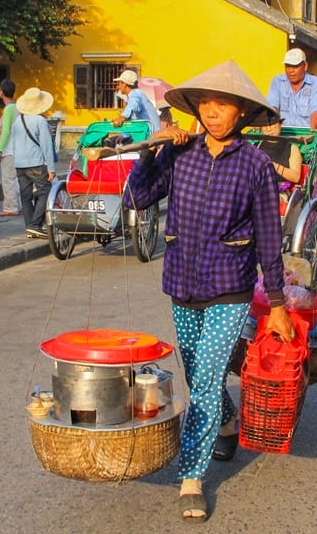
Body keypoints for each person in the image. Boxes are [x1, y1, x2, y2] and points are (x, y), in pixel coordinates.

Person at [123, 60, 293, 523]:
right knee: (201, 371)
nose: (213, 112)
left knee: (203, 381)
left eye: (223, 104)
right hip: (182, 281)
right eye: (206, 104)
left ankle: (191, 478)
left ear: (240, 113)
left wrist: (275, 302)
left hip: (230, 286)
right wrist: (150, 153)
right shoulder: (180, 154)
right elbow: (136, 198)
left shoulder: (256, 165)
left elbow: (268, 235)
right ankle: (226, 419)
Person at [8, 87, 56, 239]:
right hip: (36, 163)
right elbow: (47, 146)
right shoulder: (40, 121)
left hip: (20, 164)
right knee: (45, 192)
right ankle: (35, 225)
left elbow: (13, 143)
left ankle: (29, 226)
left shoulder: (18, 121)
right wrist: (51, 168)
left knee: (25, 195)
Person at [266, 48, 317, 128]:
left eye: (295, 66)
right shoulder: (277, 82)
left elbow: (316, 112)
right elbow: (273, 107)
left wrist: (313, 133)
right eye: (287, 66)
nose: (291, 70)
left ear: (305, 66)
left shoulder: (316, 83)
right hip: (282, 134)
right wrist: (273, 127)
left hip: (306, 134)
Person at [0, 78, 21, 217]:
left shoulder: (9, 109)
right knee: (16, 179)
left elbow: (6, 131)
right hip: (18, 148)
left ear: (1, 92)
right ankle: (17, 204)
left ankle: (11, 207)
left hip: (9, 149)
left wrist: (0, 149)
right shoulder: (17, 107)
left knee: (8, 179)